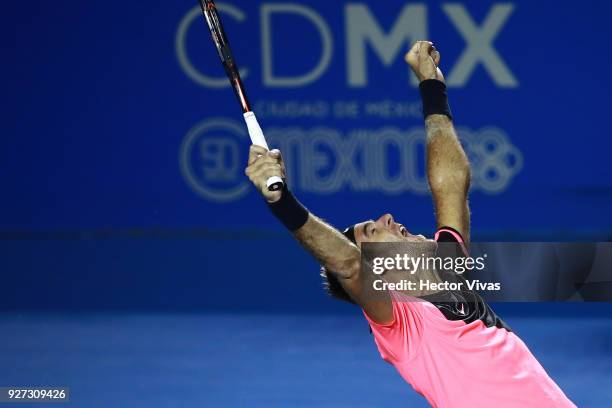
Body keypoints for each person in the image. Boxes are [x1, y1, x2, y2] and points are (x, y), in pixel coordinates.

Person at [245, 41, 575, 407]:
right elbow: (348, 265)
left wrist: (432, 88)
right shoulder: (402, 325)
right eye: (372, 231)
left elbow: (450, 184)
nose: (387, 218)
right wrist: (282, 202)